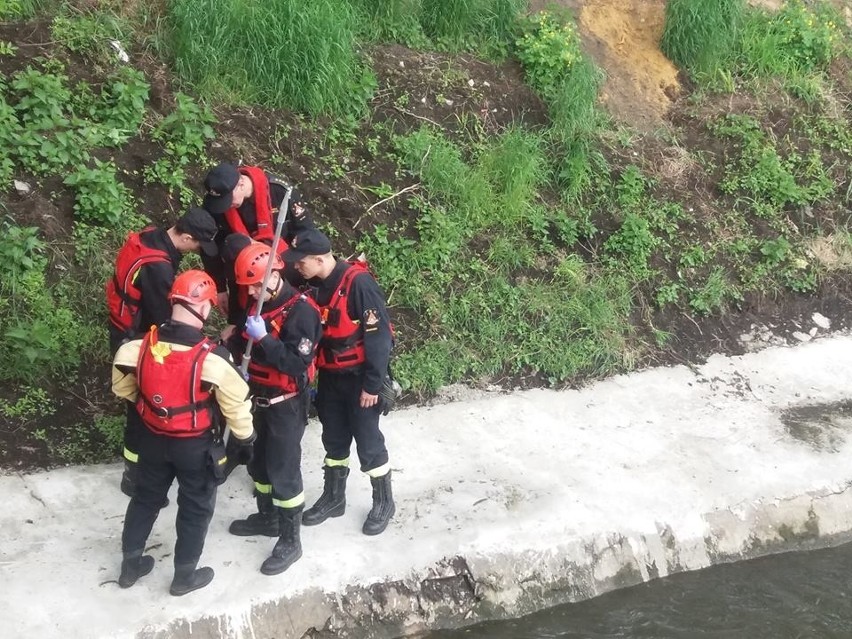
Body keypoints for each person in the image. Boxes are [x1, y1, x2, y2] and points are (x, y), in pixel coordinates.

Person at [111, 270, 255, 596]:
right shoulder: (214, 360)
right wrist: (245, 440)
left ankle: (130, 567)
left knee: (144, 500)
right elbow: (237, 407)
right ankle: (183, 577)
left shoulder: (135, 348)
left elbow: (122, 388)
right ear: (204, 308)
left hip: (151, 438)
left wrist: (152, 405)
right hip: (195, 448)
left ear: (173, 301)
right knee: (195, 508)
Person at [282, 229, 396, 536]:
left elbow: (380, 338)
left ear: (320, 259)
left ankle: (384, 501)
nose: (297, 267)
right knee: (333, 439)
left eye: (301, 262)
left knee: (368, 440)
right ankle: (334, 498)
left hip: (360, 379)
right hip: (330, 376)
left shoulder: (359, 284)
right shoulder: (313, 284)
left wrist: (373, 385)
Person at [106, 207, 219, 499]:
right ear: (185, 236)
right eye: (197, 244)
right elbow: (163, 318)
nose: (197, 251)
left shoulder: (153, 236)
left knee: (138, 402)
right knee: (140, 404)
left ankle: (135, 468)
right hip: (136, 335)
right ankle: (134, 476)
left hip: (125, 325)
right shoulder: (158, 267)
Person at [225, 242, 322, 575]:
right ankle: (266, 516)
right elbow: (242, 341)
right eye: (248, 286)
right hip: (258, 399)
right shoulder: (257, 306)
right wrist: (235, 344)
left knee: (283, 470)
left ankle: (290, 539)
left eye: (256, 284)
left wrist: (265, 339)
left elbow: (296, 362)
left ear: (276, 274)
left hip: (286, 404)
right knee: (259, 465)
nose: (251, 292)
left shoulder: (302, 312)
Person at [200, 162, 314, 312]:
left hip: (283, 265)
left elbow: (305, 231)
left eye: (228, 199)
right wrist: (220, 287)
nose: (225, 206)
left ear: (241, 183)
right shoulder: (217, 205)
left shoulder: (280, 192)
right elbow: (210, 247)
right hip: (242, 273)